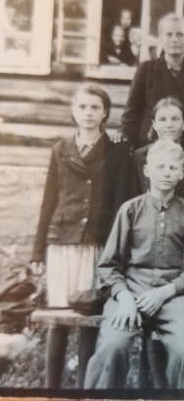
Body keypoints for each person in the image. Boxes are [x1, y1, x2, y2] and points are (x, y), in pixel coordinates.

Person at [84, 140, 184, 389]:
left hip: (174, 295)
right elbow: (108, 266)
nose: (166, 173)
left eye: (173, 168)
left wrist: (167, 291)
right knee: (112, 346)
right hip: (132, 292)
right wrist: (124, 297)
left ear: (181, 173)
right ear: (147, 170)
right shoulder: (130, 210)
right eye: (160, 167)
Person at [29, 83, 129, 388]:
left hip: (95, 244)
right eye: (83, 107)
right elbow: (49, 201)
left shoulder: (116, 151)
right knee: (58, 319)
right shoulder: (60, 150)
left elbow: (118, 203)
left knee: (89, 318)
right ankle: (52, 389)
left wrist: (114, 248)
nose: (88, 113)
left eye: (95, 107)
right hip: (62, 243)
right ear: (73, 111)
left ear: (105, 113)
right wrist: (37, 251)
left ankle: (85, 389)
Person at [120, 13, 184, 148]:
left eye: (180, 35)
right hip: (149, 146)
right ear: (161, 39)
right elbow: (132, 112)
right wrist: (126, 140)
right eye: (169, 35)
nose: (174, 40)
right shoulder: (146, 70)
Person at [128, 97, 184, 201]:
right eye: (162, 119)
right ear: (154, 124)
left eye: (175, 119)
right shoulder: (139, 157)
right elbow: (133, 197)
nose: (169, 125)